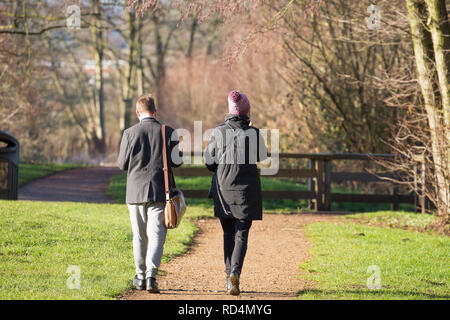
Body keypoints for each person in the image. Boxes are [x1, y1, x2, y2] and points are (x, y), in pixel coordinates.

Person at [205, 90, 267, 296]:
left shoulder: (218, 132)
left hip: (224, 190)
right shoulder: (254, 133)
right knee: (241, 235)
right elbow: (262, 156)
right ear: (247, 111)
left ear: (230, 111)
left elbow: (209, 163)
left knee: (227, 233)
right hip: (246, 192)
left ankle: (227, 277)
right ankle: (235, 272)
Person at [118, 94, 181, 293]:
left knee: (139, 237)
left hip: (135, 192)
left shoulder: (129, 133)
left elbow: (122, 164)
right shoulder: (168, 131)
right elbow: (177, 162)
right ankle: (151, 277)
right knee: (156, 236)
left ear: (138, 113)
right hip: (159, 192)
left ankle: (139, 275)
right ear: (155, 112)